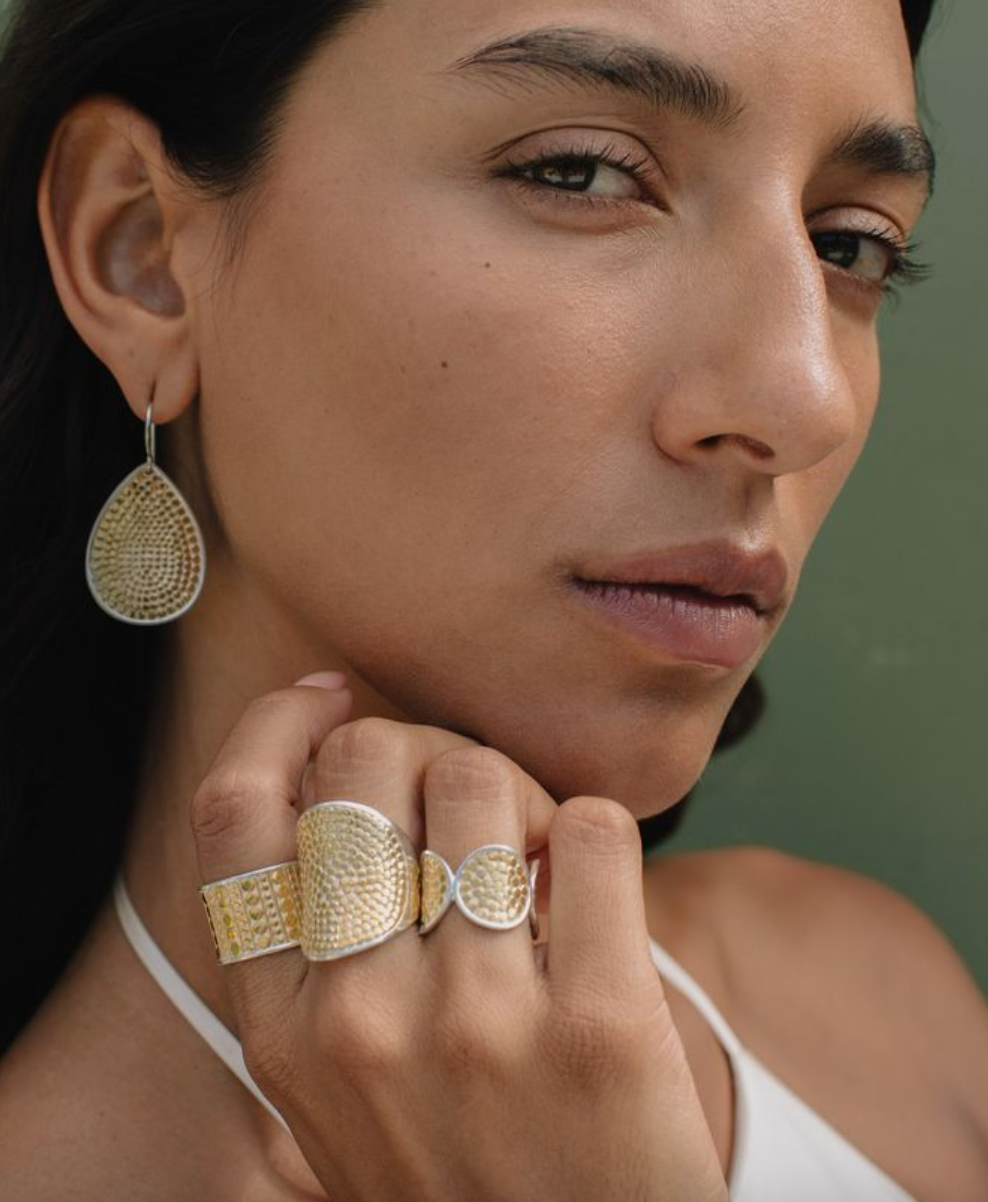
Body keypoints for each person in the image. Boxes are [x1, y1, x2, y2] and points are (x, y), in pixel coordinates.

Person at [0, 0, 986, 1197]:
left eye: (848, 245)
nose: (803, 395)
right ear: (142, 250)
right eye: (581, 174)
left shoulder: (874, 1009)